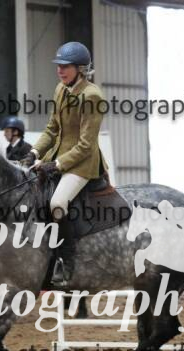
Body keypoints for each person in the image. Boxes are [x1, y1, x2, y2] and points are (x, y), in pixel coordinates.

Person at [20, 41, 109, 286]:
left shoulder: (92, 96)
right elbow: (52, 129)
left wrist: (57, 165)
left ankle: (67, 261)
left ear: (81, 69)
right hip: (56, 156)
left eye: (65, 66)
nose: (60, 70)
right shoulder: (61, 89)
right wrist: (34, 152)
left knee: (57, 203)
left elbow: (86, 145)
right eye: (58, 66)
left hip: (82, 164)